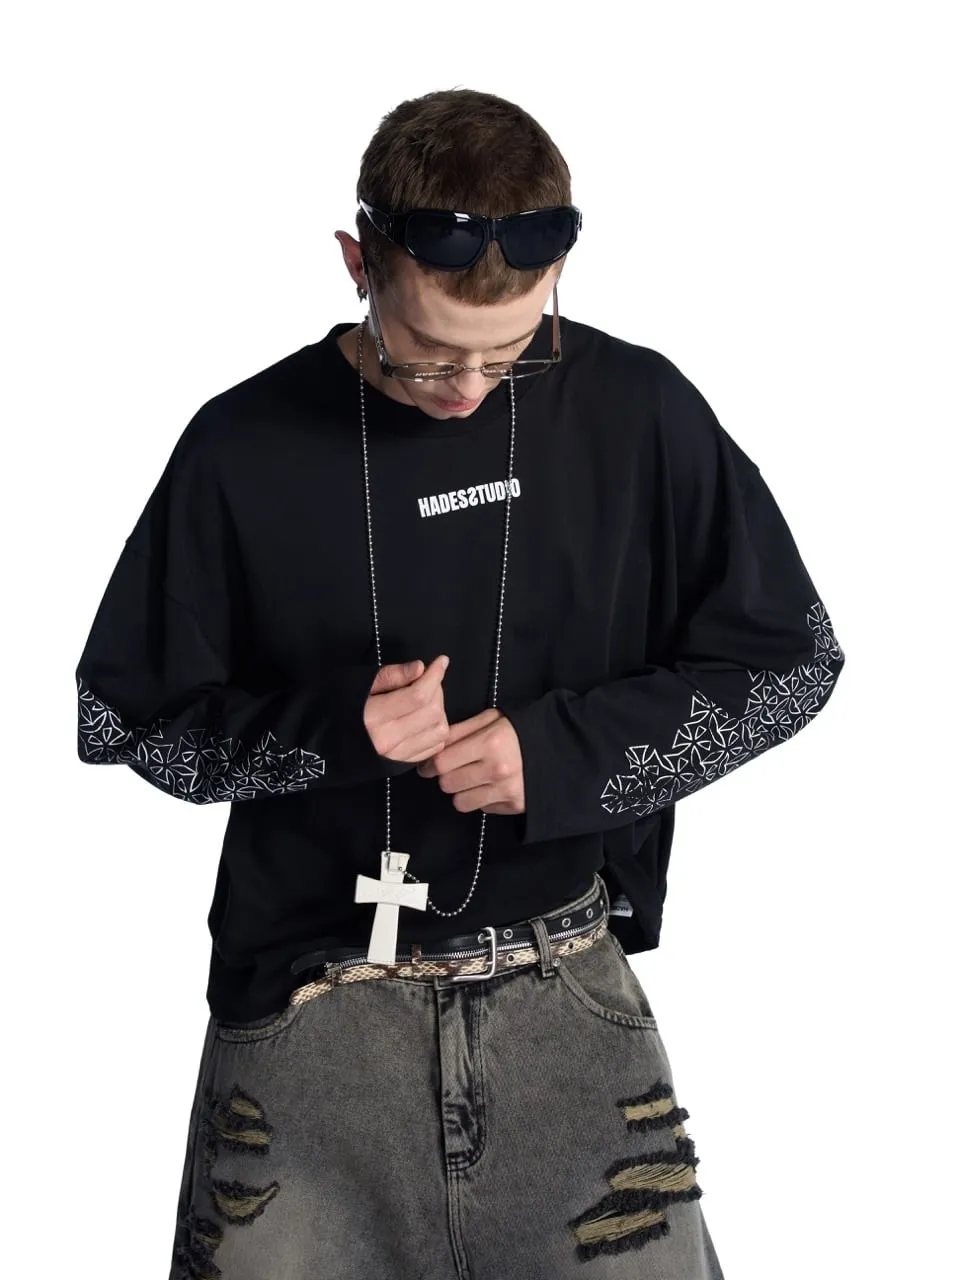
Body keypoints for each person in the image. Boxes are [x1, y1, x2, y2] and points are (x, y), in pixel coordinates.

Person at [75, 87, 845, 1279]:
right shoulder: (241, 443)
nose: (472, 387)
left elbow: (792, 660)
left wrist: (565, 751)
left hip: (566, 1010)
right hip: (309, 1028)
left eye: (512, 348)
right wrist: (331, 729)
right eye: (431, 352)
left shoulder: (638, 408)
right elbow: (127, 717)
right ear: (358, 265)